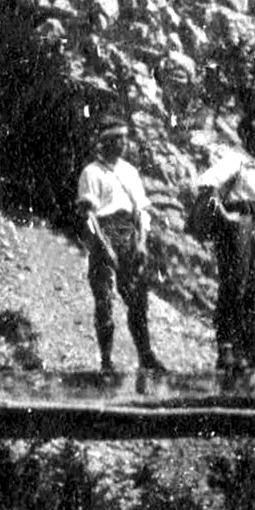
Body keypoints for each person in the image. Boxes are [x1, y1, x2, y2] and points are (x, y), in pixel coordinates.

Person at [192, 110, 255, 375]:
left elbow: (253, 201)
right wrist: (225, 216)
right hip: (236, 228)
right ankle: (226, 348)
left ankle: (240, 347)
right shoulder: (234, 160)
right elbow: (207, 186)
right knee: (234, 284)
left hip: (251, 225)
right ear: (244, 135)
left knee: (249, 285)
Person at [76, 115, 166, 379]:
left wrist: (141, 242)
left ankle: (145, 355)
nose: (124, 144)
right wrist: (104, 246)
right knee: (104, 300)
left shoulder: (129, 171)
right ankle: (106, 361)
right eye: (118, 139)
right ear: (106, 142)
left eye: (125, 139)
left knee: (138, 298)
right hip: (103, 233)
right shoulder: (91, 172)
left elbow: (141, 210)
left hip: (129, 233)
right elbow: (88, 216)